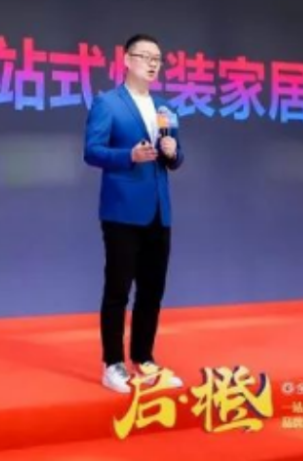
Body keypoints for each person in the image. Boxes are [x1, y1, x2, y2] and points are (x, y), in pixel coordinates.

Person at [83, 34, 184, 394]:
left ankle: (143, 357)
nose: (153, 64)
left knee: (152, 290)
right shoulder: (107, 103)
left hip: (159, 210)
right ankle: (113, 364)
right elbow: (92, 151)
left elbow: (176, 159)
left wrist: (172, 151)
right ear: (126, 60)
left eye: (158, 58)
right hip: (122, 210)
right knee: (118, 290)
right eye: (145, 57)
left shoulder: (165, 108)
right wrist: (129, 155)